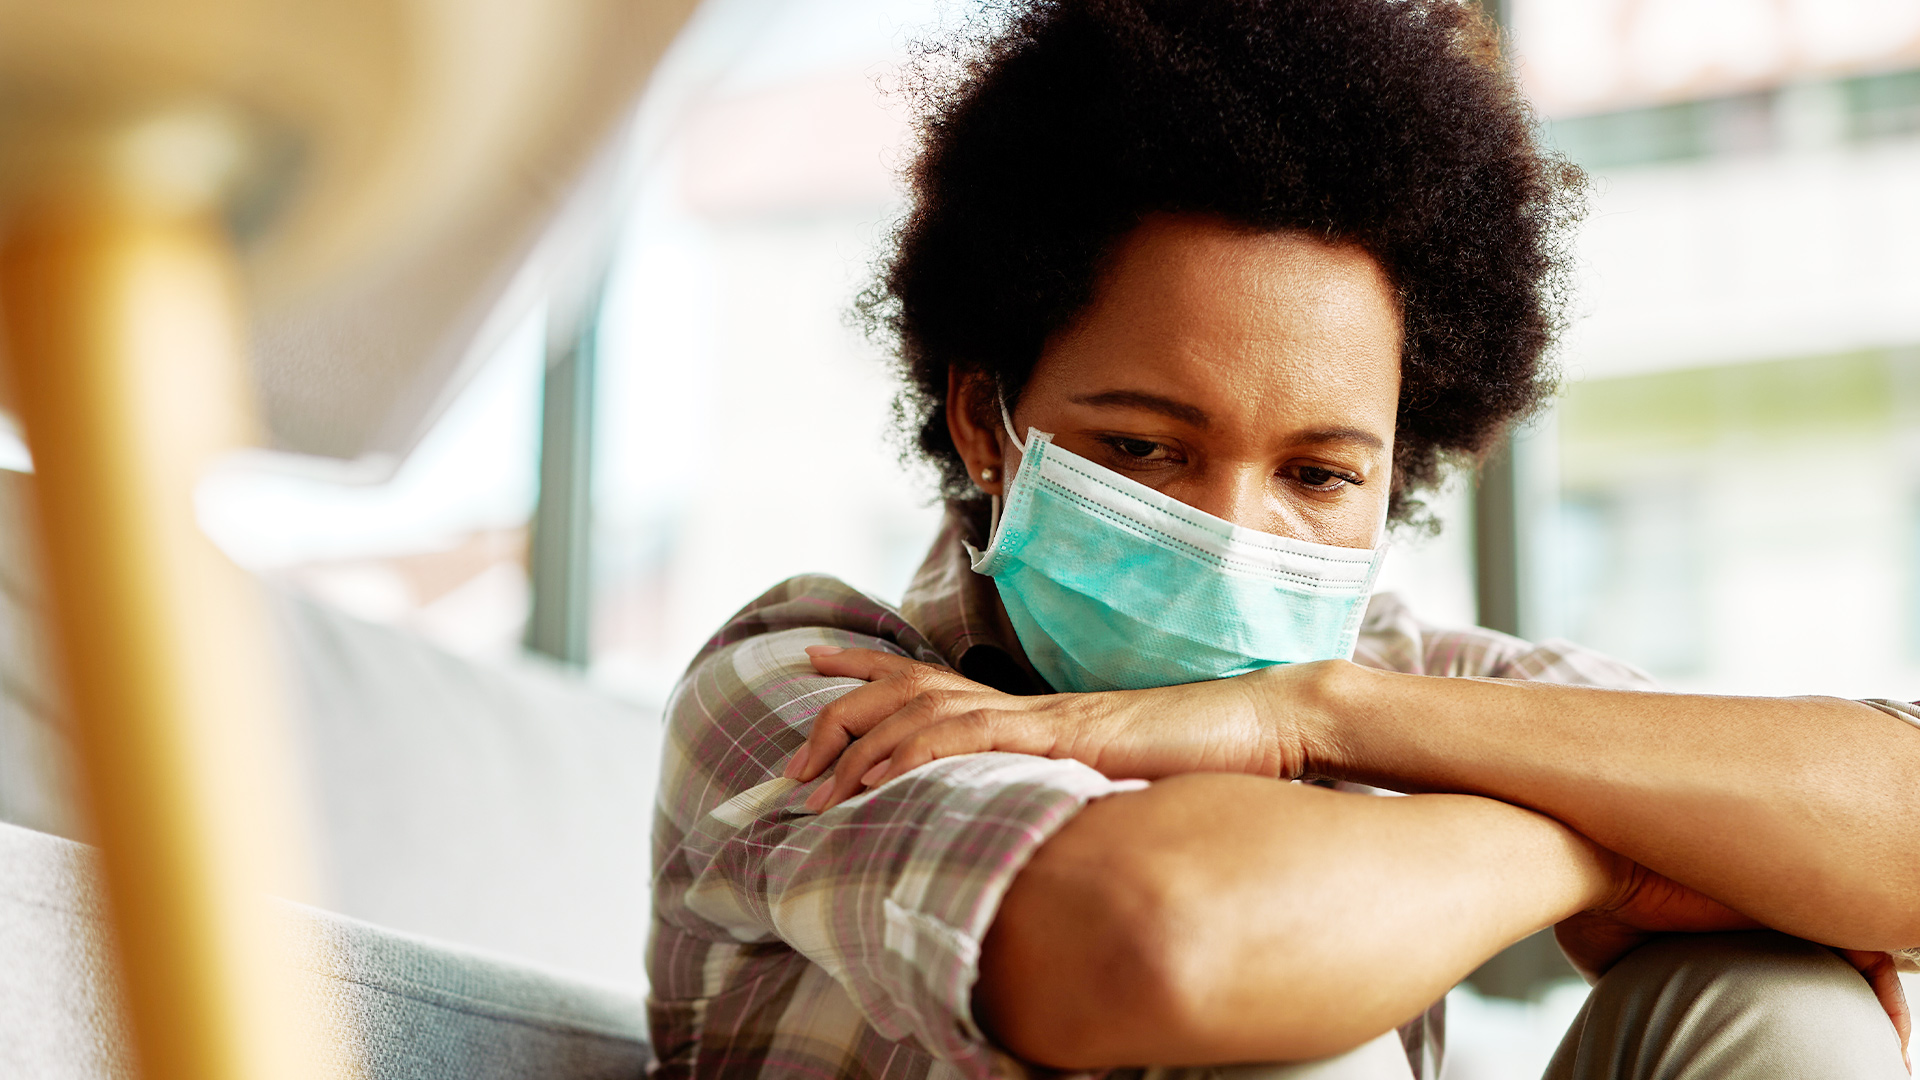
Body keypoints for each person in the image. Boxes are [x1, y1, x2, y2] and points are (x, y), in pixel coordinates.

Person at [644, 2, 1920, 1077]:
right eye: (1144, 447)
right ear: (989, 419)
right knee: (1277, 966)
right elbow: (1166, 943)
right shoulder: (811, 689)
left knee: (1773, 985)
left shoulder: (1398, 679)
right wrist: (1592, 850)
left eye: (1316, 473)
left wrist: (1328, 716)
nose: (1232, 533)